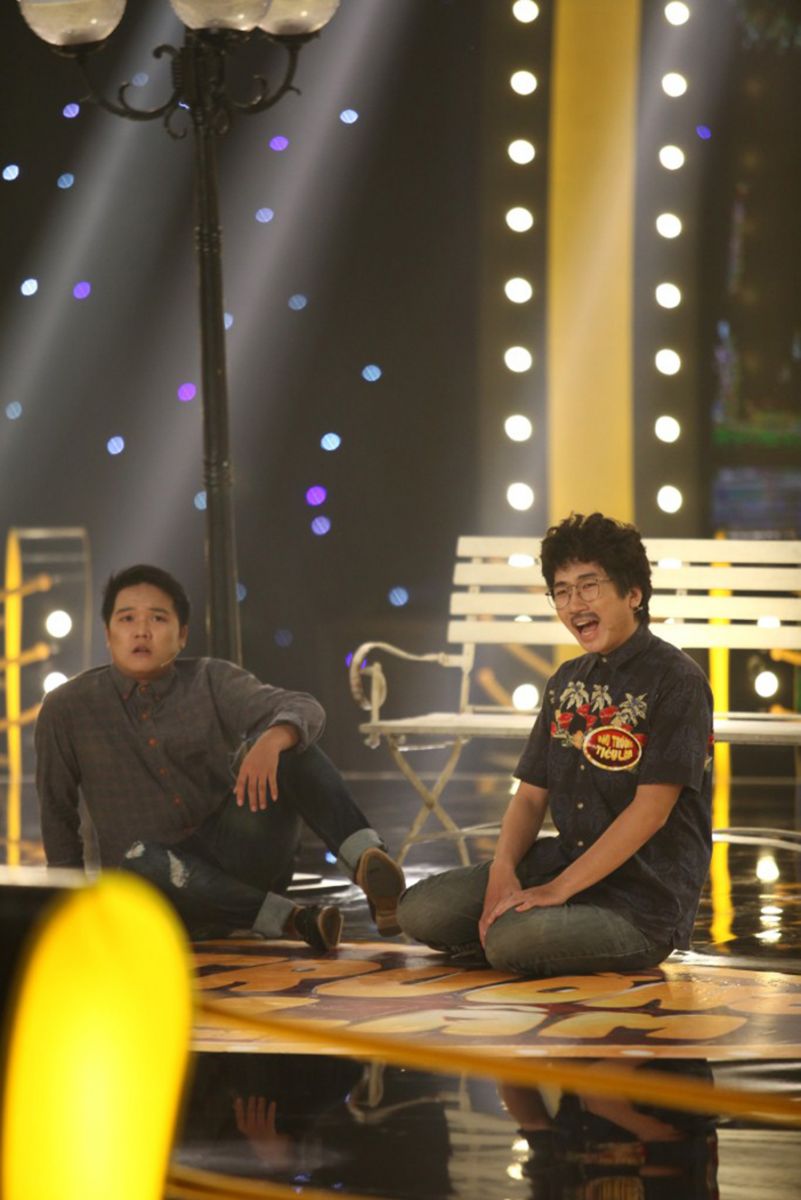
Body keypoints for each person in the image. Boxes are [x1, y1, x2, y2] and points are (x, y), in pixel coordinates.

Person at [397, 512, 714, 976]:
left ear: (633, 594)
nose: (573, 603)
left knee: (512, 940)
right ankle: (527, 930)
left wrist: (558, 890)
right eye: (561, 591)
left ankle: (522, 934)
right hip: (560, 865)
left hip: (640, 902)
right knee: (418, 911)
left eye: (589, 586)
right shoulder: (565, 682)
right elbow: (529, 797)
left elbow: (651, 811)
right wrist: (503, 870)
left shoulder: (678, 681)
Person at [36, 564, 405, 952]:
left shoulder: (210, 679)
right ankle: (293, 920)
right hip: (150, 889)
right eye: (127, 618)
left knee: (290, 743)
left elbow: (304, 707)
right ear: (108, 634)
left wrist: (271, 740)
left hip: (238, 856)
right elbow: (57, 815)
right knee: (139, 857)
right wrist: (68, 913)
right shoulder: (66, 708)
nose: (141, 631)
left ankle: (369, 867)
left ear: (182, 636)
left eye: (158, 618)